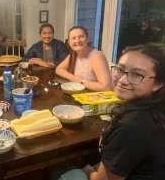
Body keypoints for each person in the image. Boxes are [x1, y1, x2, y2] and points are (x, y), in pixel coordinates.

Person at [55, 45, 165, 180]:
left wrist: (87, 169)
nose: (122, 80)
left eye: (137, 75)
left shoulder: (131, 127)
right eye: (120, 69)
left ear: (158, 84)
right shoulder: (155, 108)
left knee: (59, 168)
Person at [55, 26, 112, 91]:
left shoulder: (97, 56)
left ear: (87, 39)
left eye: (81, 37)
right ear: (69, 43)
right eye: (73, 38)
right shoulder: (74, 54)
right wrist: (73, 78)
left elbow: (107, 87)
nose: (77, 40)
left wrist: (82, 81)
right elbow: (59, 69)